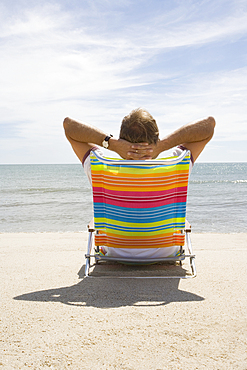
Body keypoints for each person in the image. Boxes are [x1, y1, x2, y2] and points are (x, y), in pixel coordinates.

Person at [63, 108, 215, 258]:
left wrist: (112, 143)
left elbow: (69, 126)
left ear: (122, 138)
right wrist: (163, 145)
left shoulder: (101, 166)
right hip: (166, 251)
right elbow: (209, 125)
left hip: (115, 252)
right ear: (156, 137)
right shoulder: (176, 164)